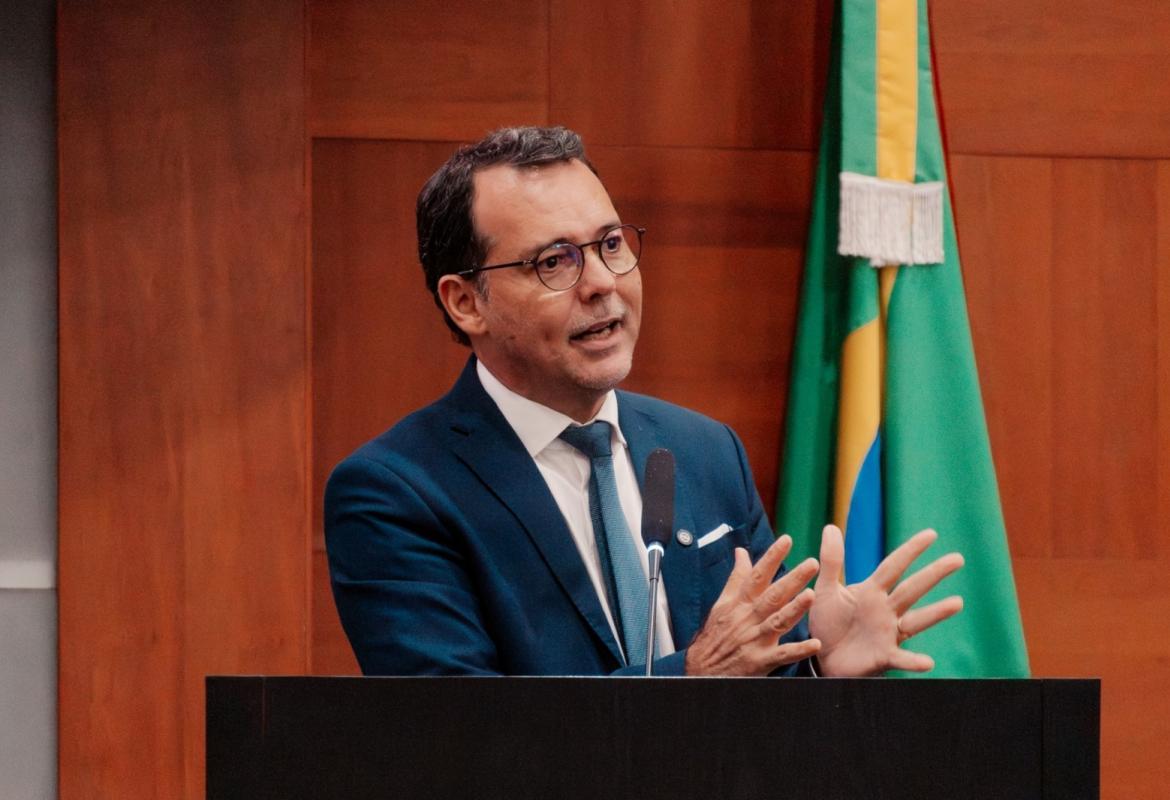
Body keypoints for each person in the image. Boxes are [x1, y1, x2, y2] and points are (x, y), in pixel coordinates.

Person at [325, 126, 964, 677]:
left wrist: (817, 664)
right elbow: (461, 737)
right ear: (466, 303)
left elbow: (755, 689)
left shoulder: (705, 450)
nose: (602, 283)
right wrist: (694, 675)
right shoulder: (396, 492)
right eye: (554, 262)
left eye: (610, 244)